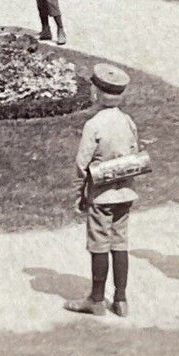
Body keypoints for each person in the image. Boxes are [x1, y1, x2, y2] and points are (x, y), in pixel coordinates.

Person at [65, 63, 141, 318]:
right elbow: (134, 152)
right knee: (120, 242)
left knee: (99, 243)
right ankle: (121, 299)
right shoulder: (128, 121)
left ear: (96, 93)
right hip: (125, 192)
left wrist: (79, 193)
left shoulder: (94, 125)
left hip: (101, 194)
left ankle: (96, 299)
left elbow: (81, 164)